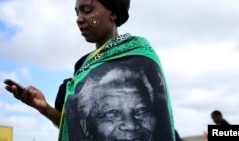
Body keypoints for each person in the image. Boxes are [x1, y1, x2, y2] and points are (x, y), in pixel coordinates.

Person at [4, 0, 175, 140]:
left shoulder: (141, 56)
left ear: (113, 13)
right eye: (77, 13)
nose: (79, 19)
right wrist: (44, 108)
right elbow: (79, 128)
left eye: (87, 10)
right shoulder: (83, 67)